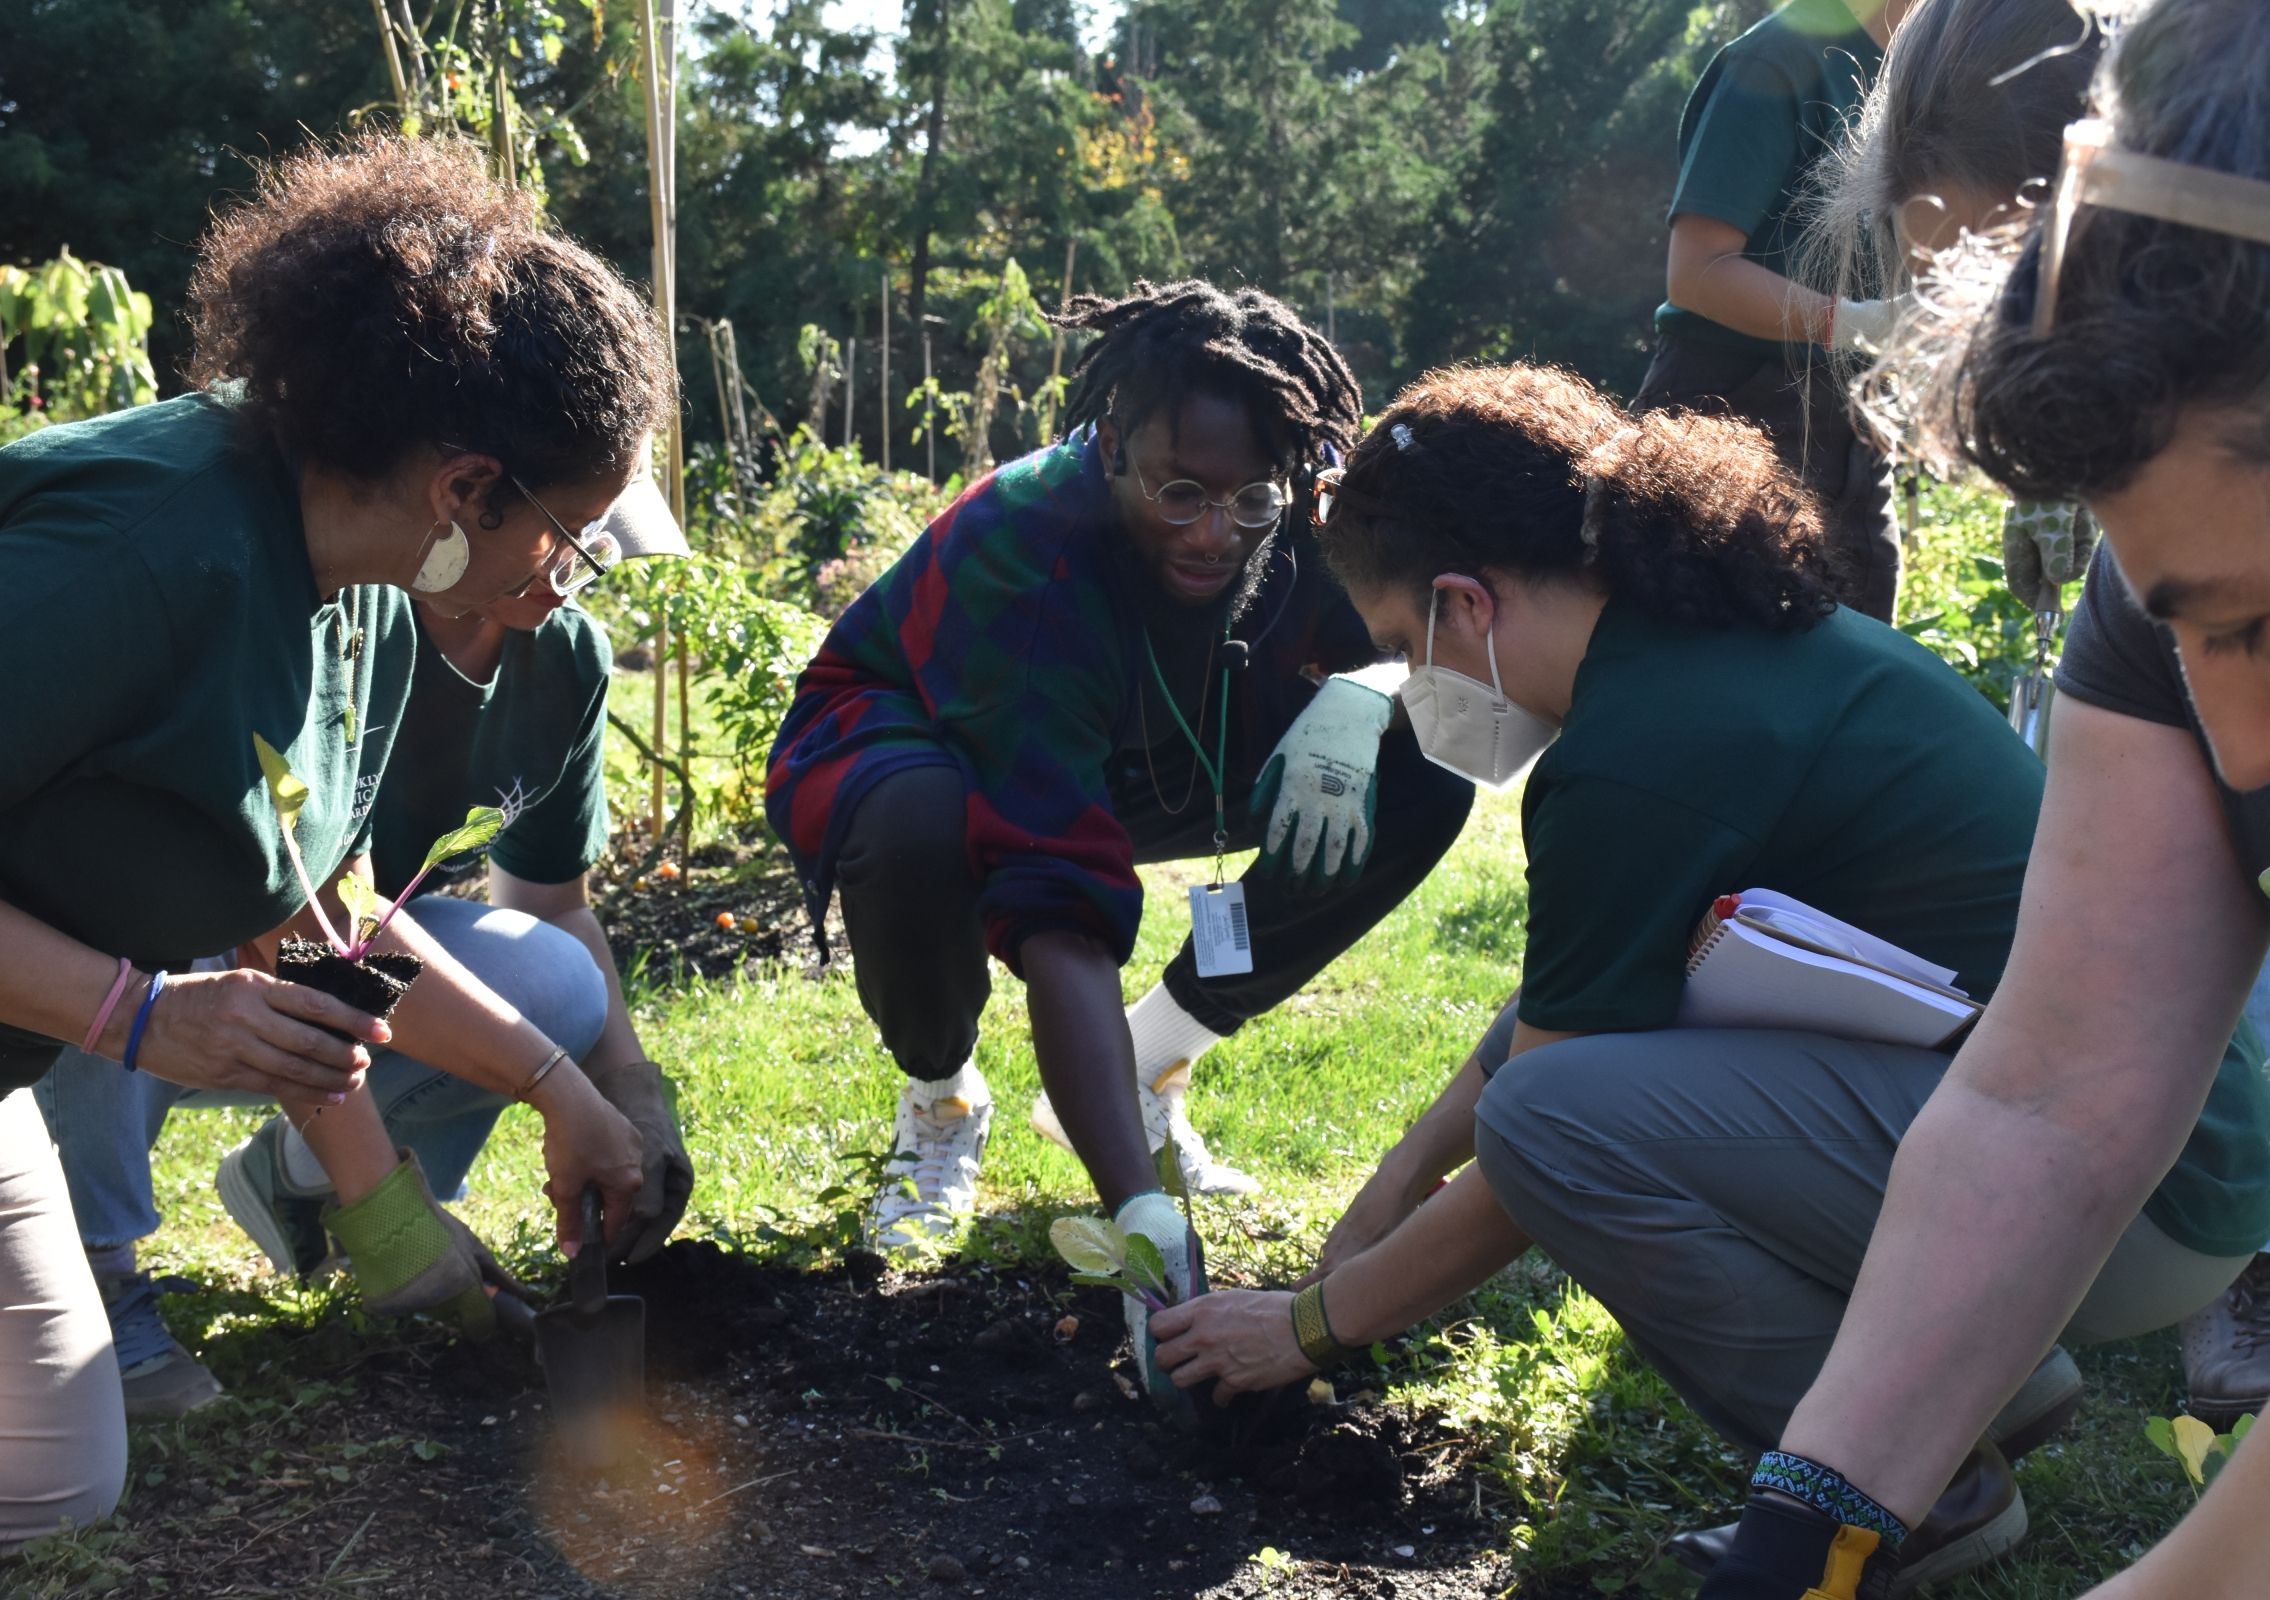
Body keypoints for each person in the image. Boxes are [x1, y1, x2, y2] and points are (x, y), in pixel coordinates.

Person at [1145, 362, 2270, 1593]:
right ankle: (1986, 1383)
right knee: (1565, 1095)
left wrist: (1313, 1326)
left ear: (1463, 605)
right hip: (2169, 1147)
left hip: (2122, 1197)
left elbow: (1543, 1135)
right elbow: (1583, 995)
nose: (1414, 695)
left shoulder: (1637, 755)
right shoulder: (1698, 651)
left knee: (1552, 1127)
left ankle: (1921, 1481)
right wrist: (1399, 1174)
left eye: (1395, 650)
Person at [1687, 2, 2270, 1596]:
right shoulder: (2205, 538)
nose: (2244, 750)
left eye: (2253, 625)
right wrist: (1812, 1527)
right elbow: (2050, 1091)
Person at [0, 133, 668, 1545]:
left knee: (58, 1477)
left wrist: (560, 1092)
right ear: (468, 487)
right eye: (567, 537)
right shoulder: (147, 548)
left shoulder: (353, 582)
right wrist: (138, 1015)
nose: (562, 590)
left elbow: (316, 909)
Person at [764, 279, 1474, 1395]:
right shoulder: (1026, 551)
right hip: (938, 726)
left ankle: (1150, 1060)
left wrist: (1372, 689)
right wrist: (1137, 1206)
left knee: (1425, 764)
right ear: (1109, 448)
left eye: (1249, 504)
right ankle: (943, 1097)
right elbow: (1057, 903)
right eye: (1178, 490)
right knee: (918, 823)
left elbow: (1450, 634)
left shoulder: (1306, 503)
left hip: (1179, 738)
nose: (1210, 532)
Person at [38, 545, 694, 1420]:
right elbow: (289, 930)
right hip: (136, 960)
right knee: (110, 920)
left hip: (310, 944)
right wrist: (389, 1200)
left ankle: (303, 1185)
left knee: (557, 979)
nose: (573, 570)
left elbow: (546, 908)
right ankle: (94, 1265)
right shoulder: (337, 611)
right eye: (563, 532)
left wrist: (625, 1090)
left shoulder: (559, 652)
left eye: (597, 548)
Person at [1637, 0, 1918, 621]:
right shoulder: (1778, 60)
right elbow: (1698, 274)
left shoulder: (1921, 71)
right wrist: (1859, 323)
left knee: (1859, 682)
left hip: (1856, 428)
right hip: (1728, 424)